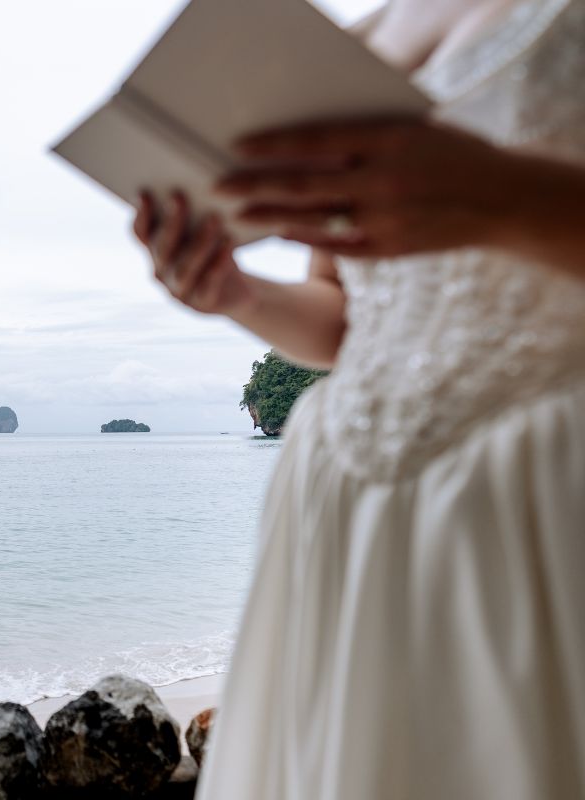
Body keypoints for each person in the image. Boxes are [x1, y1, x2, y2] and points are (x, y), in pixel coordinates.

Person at [134, 0, 585, 797]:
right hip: (350, 507)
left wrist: (501, 196)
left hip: (545, 483)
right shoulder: (361, 37)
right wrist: (231, 290)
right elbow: (342, 321)